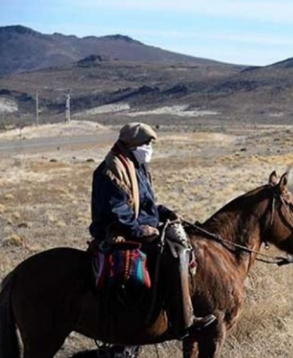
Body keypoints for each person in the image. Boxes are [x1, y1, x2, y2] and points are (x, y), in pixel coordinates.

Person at [90, 122, 216, 339]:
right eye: (146, 143)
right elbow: (117, 210)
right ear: (131, 144)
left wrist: (165, 213)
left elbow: (145, 205)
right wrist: (140, 229)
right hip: (119, 229)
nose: (149, 148)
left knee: (185, 244)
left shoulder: (136, 167)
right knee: (175, 256)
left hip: (137, 225)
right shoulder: (111, 170)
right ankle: (183, 322)